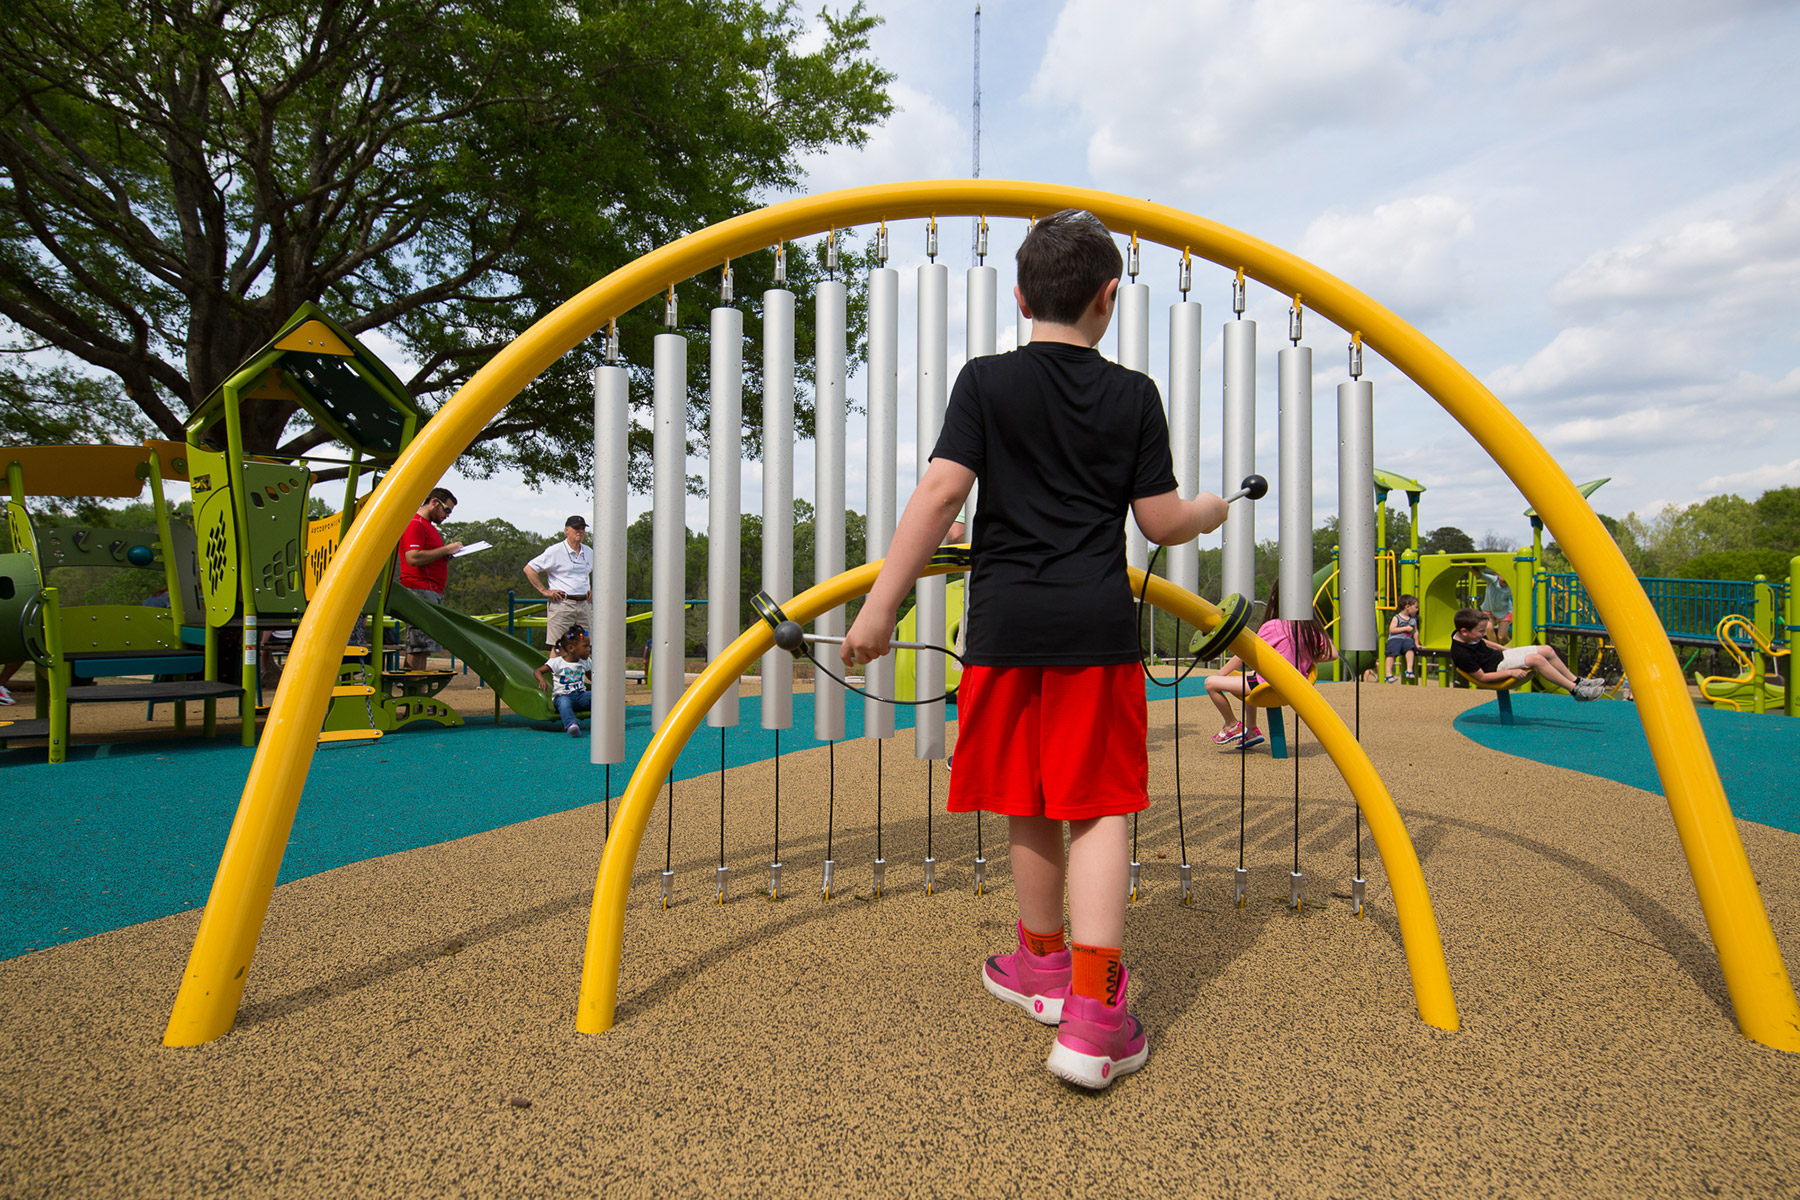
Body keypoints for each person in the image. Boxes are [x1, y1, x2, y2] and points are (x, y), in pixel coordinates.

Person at [840, 209, 1229, 1091]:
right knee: (1097, 808)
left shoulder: (985, 381)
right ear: (1109, 297)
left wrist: (880, 608)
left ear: (1020, 298)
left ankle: (1042, 966)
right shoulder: (1134, 395)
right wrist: (1208, 510)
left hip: (1004, 630)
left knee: (1026, 801)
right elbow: (1161, 522)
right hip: (1093, 630)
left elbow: (940, 494)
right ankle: (1092, 1017)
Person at [1203, 578, 1337, 750]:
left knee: (1211, 684)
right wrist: (1307, 655)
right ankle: (1252, 730)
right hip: (1296, 688)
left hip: (1270, 686)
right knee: (1249, 676)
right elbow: (1333, 654)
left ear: (1274, 599)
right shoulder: (1310, 629)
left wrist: (1222, 673)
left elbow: (1246, 654)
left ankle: (1231, 724)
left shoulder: (1273, 626)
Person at [1450, 607, 1600, 698]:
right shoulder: (1461, 654)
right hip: (1497, 668)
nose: (1483, 634)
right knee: (1537, 660)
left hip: (1501, 657)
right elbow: (1482, 677)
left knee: (1547, 650)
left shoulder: (1466, 635)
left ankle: (1577, 681)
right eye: (1481, 631)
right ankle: (1575, 691)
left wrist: (1506, 650)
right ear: (1464, 631)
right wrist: (1511, 672)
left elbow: (1484, 642)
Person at [397, 487, 462, 671]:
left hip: (431, 590)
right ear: (434, 502)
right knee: (418, 644)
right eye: (447, 510)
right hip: (419, 588)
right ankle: (413, 682)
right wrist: (446, 549)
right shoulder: (415, 524)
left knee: (424, 646)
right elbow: (413, 557)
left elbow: (428, 557)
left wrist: (444, 557)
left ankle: (418, 681)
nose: (447, 516)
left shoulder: (428, 527)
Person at [524, 516, 594, 648]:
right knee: (559, 645)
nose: (580, 531)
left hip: (584, 605)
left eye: (582, 528)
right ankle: (555, 663)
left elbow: (601, 571)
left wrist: (594, 589)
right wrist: (544, 591)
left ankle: (580, 664)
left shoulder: (589, 552)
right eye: (576, 528)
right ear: (567, 530)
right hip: (562, 603)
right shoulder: (555, 551)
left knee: (583, 645)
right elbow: (529, 569)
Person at [535, 627, 593, 736]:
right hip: (562, 696)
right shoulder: (557, 662)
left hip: (581, 696)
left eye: (589, 646)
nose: (588, 649)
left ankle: (604, 720)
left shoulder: (586, 662)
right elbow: (538, 671)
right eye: (585, 646)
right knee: (564, 702)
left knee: (597, 696)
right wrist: (542, 680)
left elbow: (591, 677)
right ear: (571, 648)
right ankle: (572, 725)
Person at [1384, 594, 1420, 682]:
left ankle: (1409, 669)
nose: (1417, 609)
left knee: (1410, 648)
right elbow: (1392, 630)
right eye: (1416, 607)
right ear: (1407, 607)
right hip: (1395, 639)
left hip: (1407, 639)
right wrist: (1405, 628)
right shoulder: (1397, 618)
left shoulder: (1413, 619)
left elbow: (1415, 632)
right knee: (1392, 653)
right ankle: (1388, 673)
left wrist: (1417, 643)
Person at [1480, 570, 1514, 644]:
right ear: (1498, 575)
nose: (1504, 579)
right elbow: (1480, 575)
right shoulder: (1492, 580)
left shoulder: (1510, 586)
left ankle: (1511, 648)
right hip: (1489, 609)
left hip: (1504, 611)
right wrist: (1470, 567)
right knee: (1488, 628)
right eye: (1502, 576)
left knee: (1502, 637)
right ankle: (1495, 649)